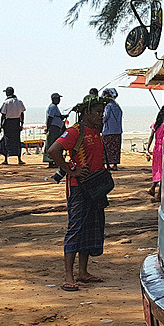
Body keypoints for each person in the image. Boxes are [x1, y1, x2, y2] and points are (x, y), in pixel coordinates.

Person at [47, 94, 107, 291]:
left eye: (102, 112)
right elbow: (53, 150)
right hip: (78, 188)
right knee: (76, 229)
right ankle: (68, 275)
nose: (101, 116)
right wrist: (69, 170)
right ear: (87, 113)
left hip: (95, 188)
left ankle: (83, 272)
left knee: (90, 228)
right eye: (98, 112)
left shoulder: (96, 131)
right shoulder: (75, 132)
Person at [144, 104, 164, 201]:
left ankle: (153, 188)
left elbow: (151, 137)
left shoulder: (156, 124)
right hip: (163, 148)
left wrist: (147, 149)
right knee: (162, 171)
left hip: (156, 148)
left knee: (157, 169)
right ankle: (158, 195)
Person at [0, 86, 26, 165]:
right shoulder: (19, 102)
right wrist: (22, 123)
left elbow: (3, 115)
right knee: (17, 140)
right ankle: (19, 159)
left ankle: (6, 159)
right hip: (16, 122)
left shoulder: (6, 102)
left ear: (7, 93)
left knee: (7, 141)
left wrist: (1, 125)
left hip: (8, 123)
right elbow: (22, 114)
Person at [101, 88, 123, 171]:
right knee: (115, 148)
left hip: (108, 131)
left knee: (106, 148)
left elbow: (105, 117)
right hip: (117, 130)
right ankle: (115, 164)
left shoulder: (108, 106)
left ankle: (106, 165)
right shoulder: (117, 106)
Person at [44, 93, 66, 163]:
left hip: (56, 127)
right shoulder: (53, 107)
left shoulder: (55, 107)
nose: (59, 100)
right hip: (54, 127)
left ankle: (53, 160)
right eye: (58, 99)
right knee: (52, 143)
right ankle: (51, 160)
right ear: (54, 99)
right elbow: (50, 118)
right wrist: (48, 128)